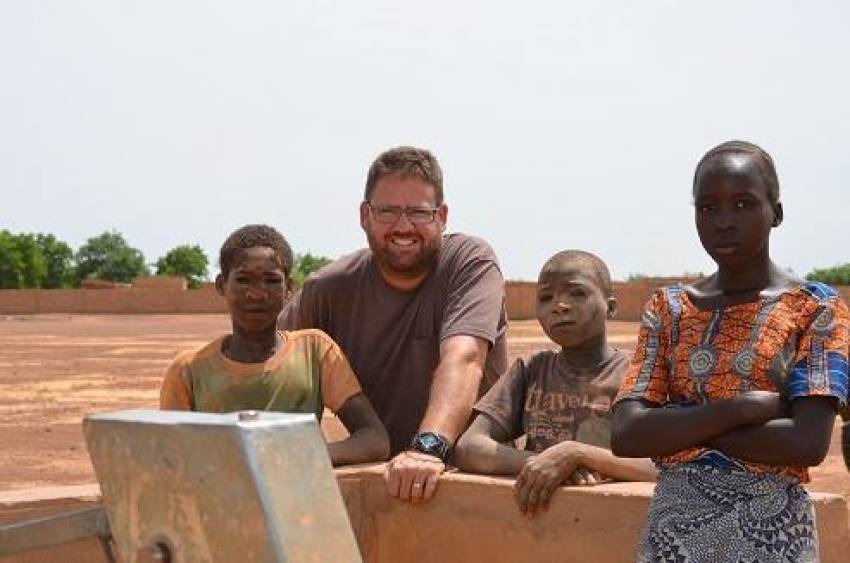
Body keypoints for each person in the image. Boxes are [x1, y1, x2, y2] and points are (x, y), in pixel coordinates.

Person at [611, 141, 849, 562]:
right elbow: (627, 434)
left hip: (773, 536)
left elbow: (806, 442)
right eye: (707, 208)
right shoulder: (668, 309)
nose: (723, 222)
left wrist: (676, 427)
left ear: (775, 212)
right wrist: (737, 409)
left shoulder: (816, 308)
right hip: (672, 535)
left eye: (743, 204)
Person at [279, 146, 508, 502]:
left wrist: (429, 448)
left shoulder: (468, 263)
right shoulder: (329, 288)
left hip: (466, 479)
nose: (403, 227)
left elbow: (464, 357)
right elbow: (273, 359)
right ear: (364, 215)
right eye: (387, 211)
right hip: (387, 483)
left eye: (418, 212)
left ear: (442, 216)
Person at [160, 224, 389, 466]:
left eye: (271, 281)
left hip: (297, 500)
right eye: (244, 280)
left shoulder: (314, 352)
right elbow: (171, 456)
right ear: (221, 285)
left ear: (288, 288)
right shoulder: (189, 370)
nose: (257, 294)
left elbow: (374, 439)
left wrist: (302, 457)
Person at [454, 250, 656, 516]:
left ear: (611, 307)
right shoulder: (531, 370)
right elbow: (470, 447)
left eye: (577, 294)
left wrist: (578, 454)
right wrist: (545, 464)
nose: (559, 305)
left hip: (612, 524)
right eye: (546, 297)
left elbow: (666, 465)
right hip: (538, 525)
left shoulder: (639, 373)